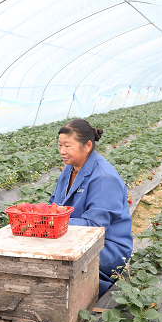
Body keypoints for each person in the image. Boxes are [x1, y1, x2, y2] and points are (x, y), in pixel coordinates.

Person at [48, 119, 133, 296]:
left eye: (68, 146)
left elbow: (95, 226)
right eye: (60, 145)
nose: (62, 151)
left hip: (107, 247)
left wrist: (55, 221)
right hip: (74, 235)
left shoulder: (104, 177)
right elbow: (54, 205)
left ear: (87, 146)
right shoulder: (69, 169)